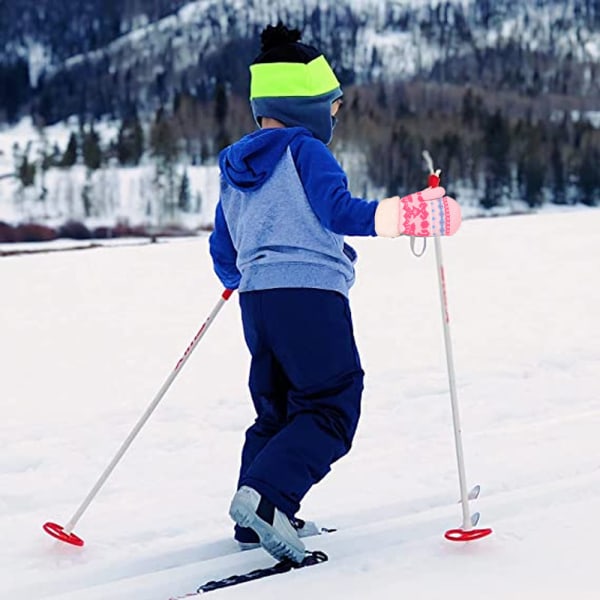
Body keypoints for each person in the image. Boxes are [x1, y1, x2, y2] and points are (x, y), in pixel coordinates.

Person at [209, 22, 461, 564]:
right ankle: (268, 500)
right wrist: (411, 214)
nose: (335, 116)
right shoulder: (305, 150)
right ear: (305, 104)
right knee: (331, 401)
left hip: (257, 302)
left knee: (277, 409)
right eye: (333, 105)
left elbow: (223, 249)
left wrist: (239, 277)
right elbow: (340, 212)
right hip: (310, 297)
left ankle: (258, 516)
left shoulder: (234, 166)